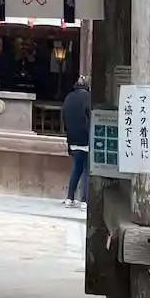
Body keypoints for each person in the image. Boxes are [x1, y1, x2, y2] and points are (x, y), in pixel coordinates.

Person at [61, 74, 91, 207]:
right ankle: (84, 199)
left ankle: (70, 198)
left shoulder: (68, 98)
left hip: (72, 139)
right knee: (86, 170)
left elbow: (64, 118)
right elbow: (89, 118)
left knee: (76, 169)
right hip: (85, 138)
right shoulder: (88, 98)